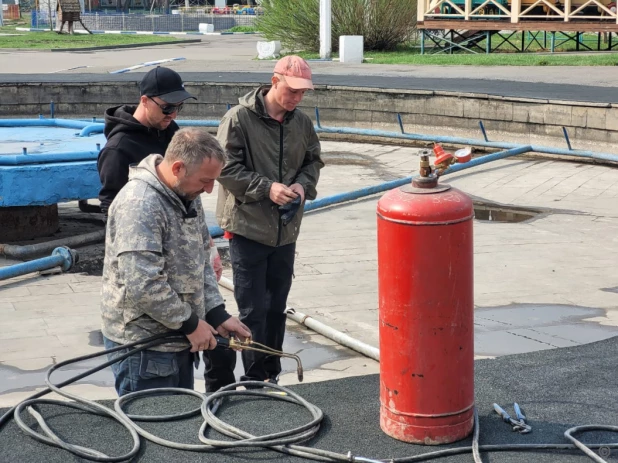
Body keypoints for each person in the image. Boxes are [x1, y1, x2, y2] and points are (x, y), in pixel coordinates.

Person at [100, 127, 251, 396]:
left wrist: (215, 313)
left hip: (178, 339)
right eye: (205, 181)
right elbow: (144, 283)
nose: (209, 189)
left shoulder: (186, 194)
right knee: (155, 430)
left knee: (178, 427)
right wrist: (190, 324)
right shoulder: (139, 204)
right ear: (179, 167)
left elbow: (201, 260)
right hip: (145, 348)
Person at [210, 55, 324, 391]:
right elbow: (224, 169)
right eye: (292, 91)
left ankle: (270, 371)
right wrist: (267, 188)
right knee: (252, 308)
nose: (297, 98)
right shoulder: (238, 119)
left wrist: (303, 186)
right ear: (274, 82)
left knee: (276, 306)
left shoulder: (300, 123)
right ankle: (252, 375)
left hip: (285, 230)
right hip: (247, 229)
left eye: (303, 93)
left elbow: (313, 159)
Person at [97, 66, 194, 217]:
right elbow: (111, 207)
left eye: (179, 107)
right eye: (167, 107)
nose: (173, 115)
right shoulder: (118, 149)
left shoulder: (171, 131)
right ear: (145, 101)